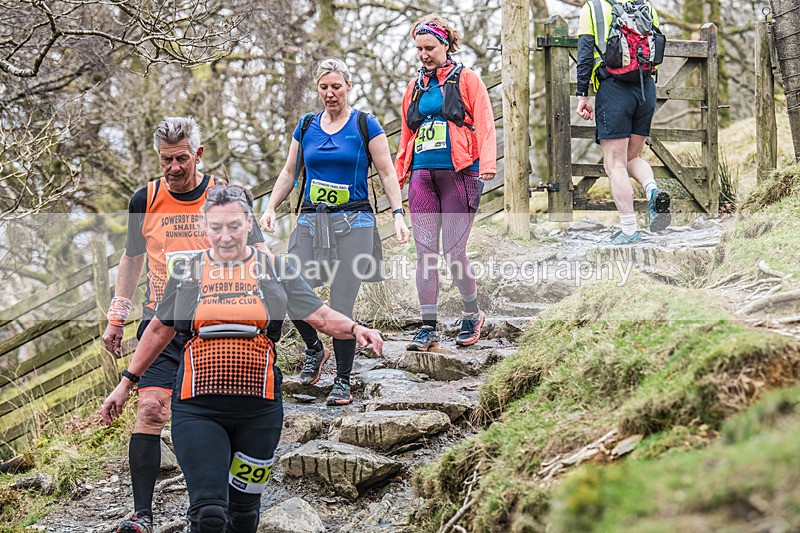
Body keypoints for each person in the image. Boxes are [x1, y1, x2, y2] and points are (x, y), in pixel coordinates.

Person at [102, 184, 384, 533]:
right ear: (204, 226)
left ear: (248, 223)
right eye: (216, 227)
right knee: (209, 516)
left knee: (245, 514)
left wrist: (357, 329)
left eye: (234, 226)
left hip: (260, 415)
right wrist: (126, 383)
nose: (225, 236)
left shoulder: (275, 269)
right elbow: (160, 330)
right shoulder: (187, 272)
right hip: (198, 410)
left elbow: (322, 316)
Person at [101, 117, 265, 533]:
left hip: (215, 327)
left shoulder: (224, 195)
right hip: (162, 322)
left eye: (180, 159)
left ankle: (225, 501)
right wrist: (117, 314)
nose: (173, 167)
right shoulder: (146, 198)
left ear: (198, 154)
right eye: (165, 160)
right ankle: (142, 514)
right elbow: (131, 257)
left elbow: (259, 252)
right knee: (151, 408)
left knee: (223, 414)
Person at [259, 57, 409, 406]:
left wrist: (398, 214)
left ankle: (343, 380)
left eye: (336, 86)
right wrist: (269, 207)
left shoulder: (364, 123)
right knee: (288, 285)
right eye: (324, 87)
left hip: (354, 221)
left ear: (348, 87)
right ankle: (315, 349)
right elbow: (288, 172)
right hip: (312, 219)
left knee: (342, 299)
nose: (330, 93)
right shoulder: (307, 124)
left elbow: (387, 173)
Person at [394, 15, 496, 353]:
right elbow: (406, 135)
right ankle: (427, 327)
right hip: (422, 176)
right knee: (425, 254)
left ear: (446, 45)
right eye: (419, 49)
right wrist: (398, 177)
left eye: (430, 48)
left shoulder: (467, 79)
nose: (423, 54)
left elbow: (484, 121)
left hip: (460, 173)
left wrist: (489, 164)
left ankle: (471, 312)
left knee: (454, 252)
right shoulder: (414, 87)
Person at [575, 0, 671, 246]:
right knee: (632, 157)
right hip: (646, 88)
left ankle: (629, 231)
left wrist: (582, 96)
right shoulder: (646, 7)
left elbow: (585, 55)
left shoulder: (593, 8)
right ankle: (652, 191)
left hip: (613, 89)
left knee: (615, 164)